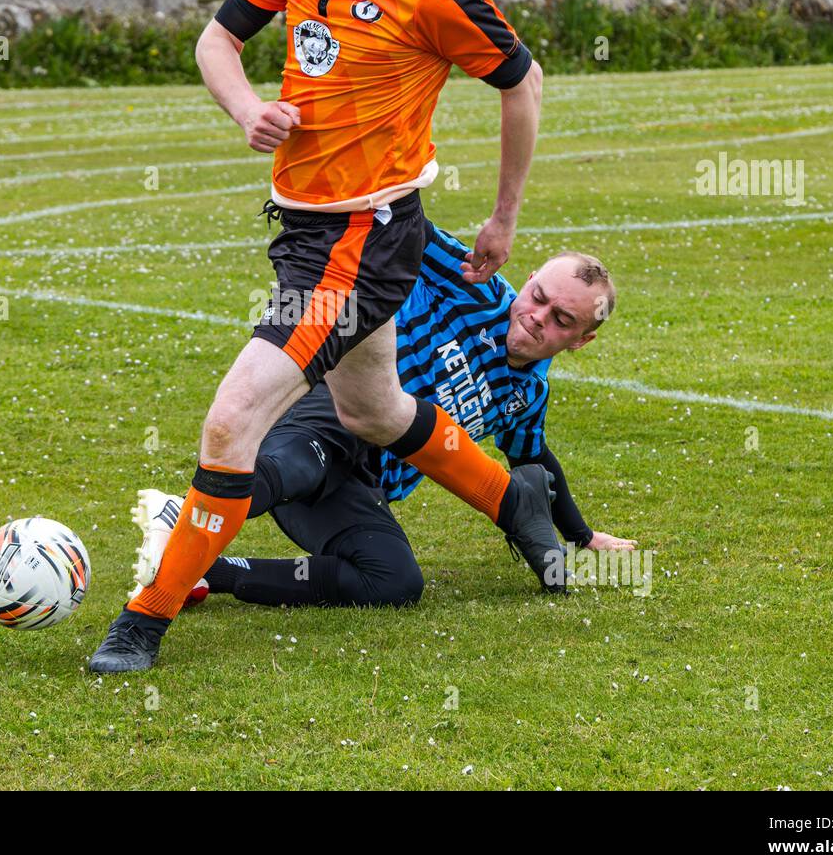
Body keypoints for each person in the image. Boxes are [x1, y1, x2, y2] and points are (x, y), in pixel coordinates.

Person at [90, 0, 546, 673]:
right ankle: (519, 505)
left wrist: (503, 220)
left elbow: (523, 79)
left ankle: (142, 622)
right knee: (374, 411)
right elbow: (214, 45)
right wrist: (246, 110)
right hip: (306, 227)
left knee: (233, 418)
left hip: (361, 241)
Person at [128, 229, 636, 611]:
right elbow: (402, 226)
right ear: (527, 283)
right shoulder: (473, 287)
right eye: (538, 298)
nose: (536, 317)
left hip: (361, 481)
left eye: (561, 320)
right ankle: (181, 515)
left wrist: (582, 536)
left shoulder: (527, 394)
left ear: (581, 340)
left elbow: (534, 464)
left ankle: (209, 571)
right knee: (299, 462)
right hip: (334, 407)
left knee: (395, 583)